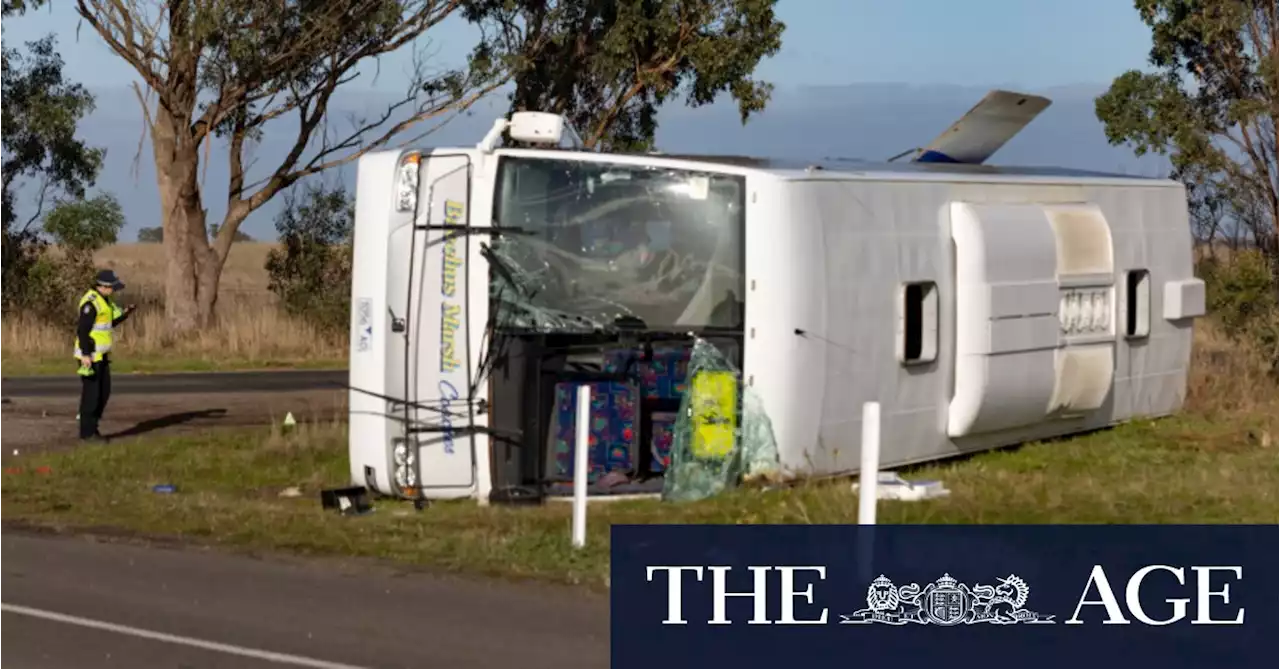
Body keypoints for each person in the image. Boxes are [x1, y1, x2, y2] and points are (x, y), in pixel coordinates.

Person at [74, 270, 136, 442]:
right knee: (91, 395)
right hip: (90, 356)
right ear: (102, 286)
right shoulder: (91, 303)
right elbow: (83, 330)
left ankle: (92, 427)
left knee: (104, 392)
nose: (113, 290)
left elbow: (108, 324)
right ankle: (87, 434)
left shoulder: (105, 301)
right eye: (111, 287)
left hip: (101, 355)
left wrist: (125, 314)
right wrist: (86, 355)